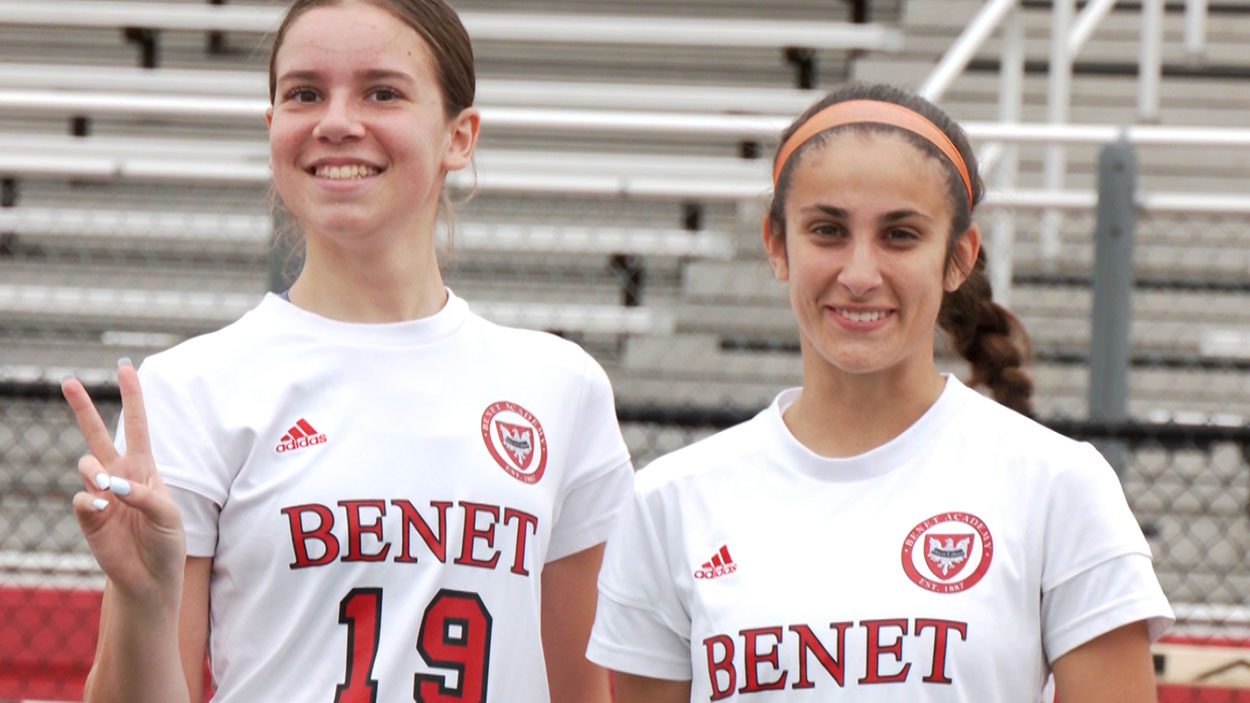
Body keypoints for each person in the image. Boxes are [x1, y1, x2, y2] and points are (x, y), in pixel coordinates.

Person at [59, 1, 633, 701]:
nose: (335, 121)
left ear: (460, 136)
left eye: (382, 92)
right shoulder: (191, 387)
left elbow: (586, 691)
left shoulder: (560, 385)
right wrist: (142, 601)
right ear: (274, 129)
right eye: (304, 93)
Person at [586, 82, 1173, 702]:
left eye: (899, 235)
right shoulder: (671, 502)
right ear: (777, 244)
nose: (860, 275)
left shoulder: (1058, 484)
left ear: (958, 258)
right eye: (827, 230)